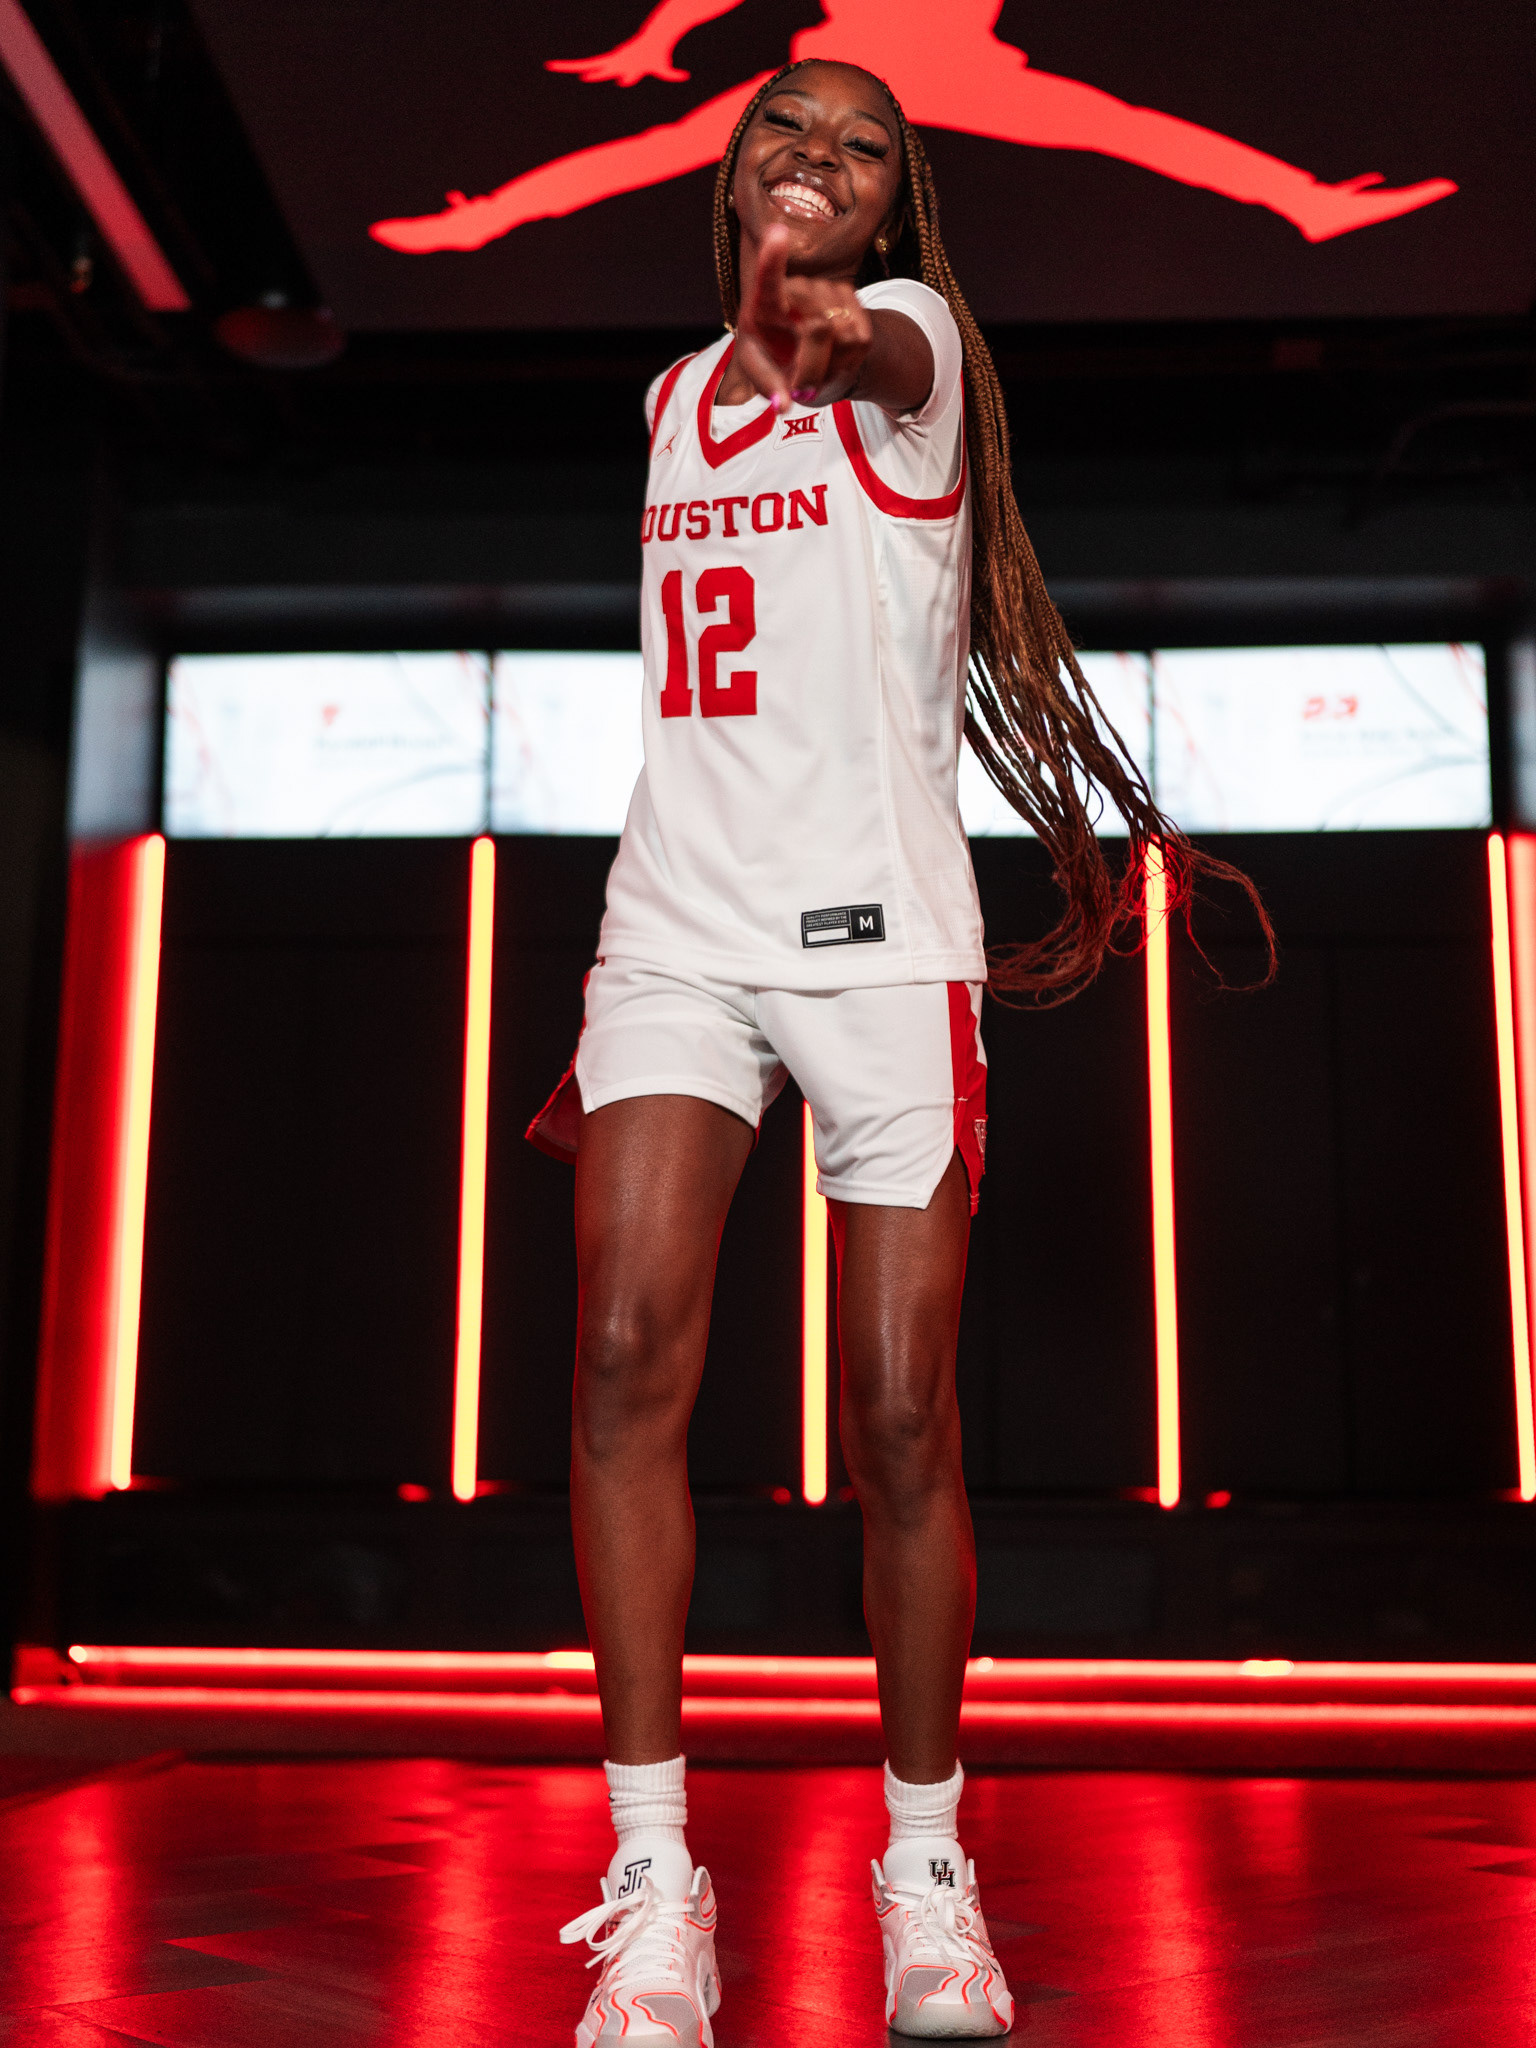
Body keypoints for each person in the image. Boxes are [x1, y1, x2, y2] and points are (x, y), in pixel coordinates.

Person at [529, 57, 1269, 2044]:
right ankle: (654, 1882)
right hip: (678, 930)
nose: (819, 159)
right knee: (621, 1351)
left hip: (878, 946)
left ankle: (926, 1876)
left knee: (898, 1416)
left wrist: (825, 298)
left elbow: (837, 335)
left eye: (863, 146)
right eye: (787, 128)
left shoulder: (914, 353)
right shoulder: (671, 401)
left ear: (895, 207)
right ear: (732, 167)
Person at [370, 0, 1456, 256]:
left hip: (965, 69)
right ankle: (483, 220)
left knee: (1121, 126)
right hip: (847, 69)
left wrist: (659, 35)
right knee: (672, 148)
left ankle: (1306, 203)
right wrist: (658, 35)